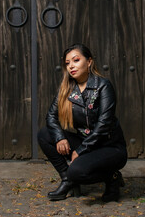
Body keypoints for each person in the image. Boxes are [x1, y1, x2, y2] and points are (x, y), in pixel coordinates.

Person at [38, 43, 127, 202]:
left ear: (89, 62)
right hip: (86, 141)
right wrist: (60, 138)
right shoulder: (66, 89)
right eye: (67, 63)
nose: (71, 66)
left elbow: (103, 125)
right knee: (44, 134)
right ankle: (67, 180)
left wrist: (80, 151)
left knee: (77, 171)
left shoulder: (103, 86)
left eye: (76, 60)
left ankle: (112, 177)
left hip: (110, 146)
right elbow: (51, 116)